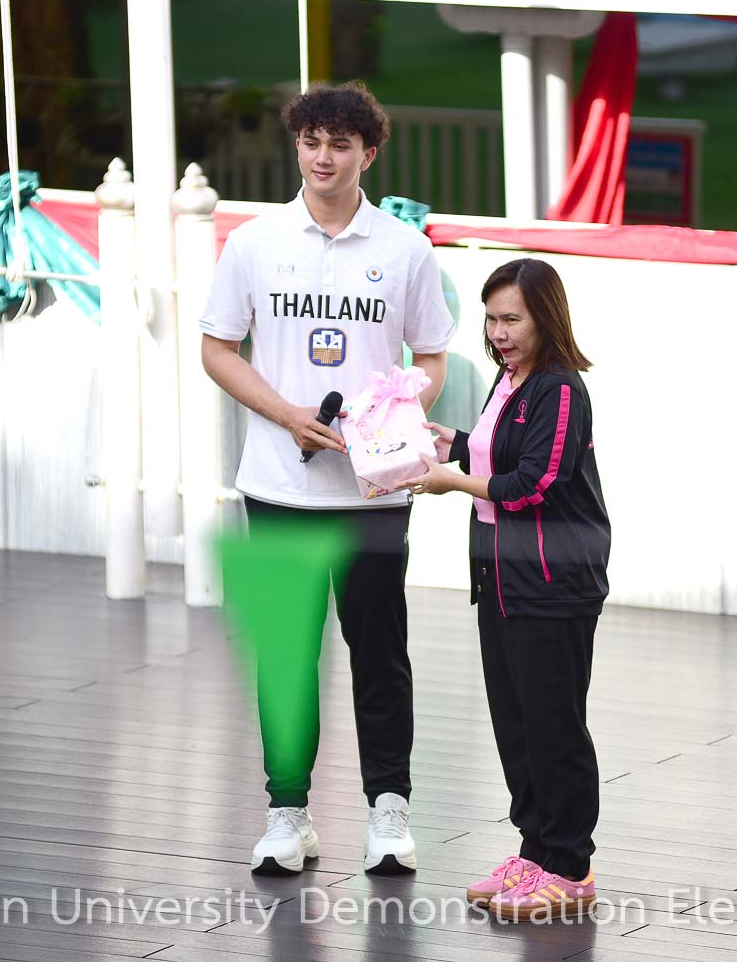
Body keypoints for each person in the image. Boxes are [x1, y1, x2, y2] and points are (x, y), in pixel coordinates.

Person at [199, 81, 454, 875]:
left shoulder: (406, 250)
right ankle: (287, 816)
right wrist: (284, 413)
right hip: (278, 487)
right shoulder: (253, 243)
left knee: (380, 655)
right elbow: (217, 349)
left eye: (340, 144)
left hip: (373, 493)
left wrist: (390, 420)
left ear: (368, 154)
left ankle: (389, 813)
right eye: (311, 141)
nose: (322, 157)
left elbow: (432, 359)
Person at [396, 258, 610, 922]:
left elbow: (535, 482)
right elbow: (504, 454)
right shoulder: (510, 378)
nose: (498, 333)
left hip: (552, 583)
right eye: (491, 320)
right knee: (517, 726)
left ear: (545, 317)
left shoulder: (561, 388)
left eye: (511, 319)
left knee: (554, 727)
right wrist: (454, 443)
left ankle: (570, 867)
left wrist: (453, 481)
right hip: (501, 578)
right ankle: (535, 851)